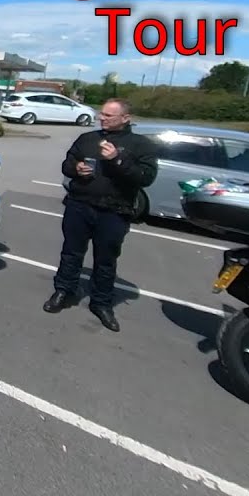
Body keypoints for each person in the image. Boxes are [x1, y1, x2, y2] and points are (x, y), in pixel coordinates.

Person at [43, 98, 158, 332]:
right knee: (71, 252)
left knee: (106, 260)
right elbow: (67, 165)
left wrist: (117, 159)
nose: (101, 118)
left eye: (108, 115)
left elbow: (146, 178)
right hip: (80, 204)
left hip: (115, 210)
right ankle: (64, 290)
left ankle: (101, 303)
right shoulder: (87, 139)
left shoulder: (140, 145)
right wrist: (76, 169)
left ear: (125, 118)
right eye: (101, 114)